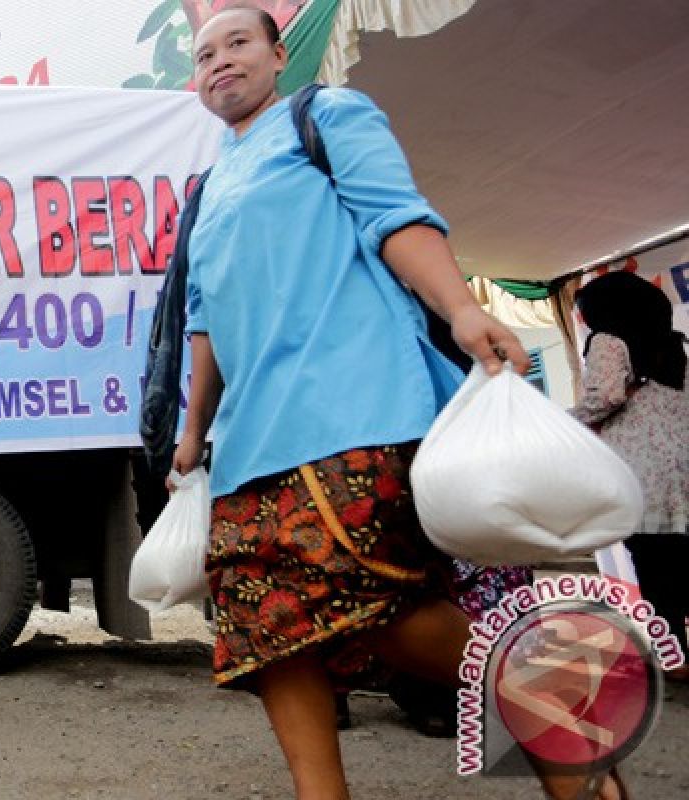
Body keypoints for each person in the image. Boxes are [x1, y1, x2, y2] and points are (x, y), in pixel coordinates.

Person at [172, 5, 623, 798]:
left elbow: (397, 219)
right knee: (266, 627)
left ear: (280, 56)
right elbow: (204, 317)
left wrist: (463, 307)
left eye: (239, 43)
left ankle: (556, 711)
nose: (221, 62)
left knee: (362, 598)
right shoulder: (209, 186)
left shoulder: (324, 115)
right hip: (249, 440)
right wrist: (193, 427)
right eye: (205, 55)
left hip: (352, 404)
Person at [572, 270, 689, 679]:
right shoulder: (673, 347)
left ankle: (674, 657)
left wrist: (562, 422)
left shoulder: (607, 341)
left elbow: (604, 396)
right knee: (683, 557)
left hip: (643, 470)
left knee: (656, 566)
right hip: (682, 466)